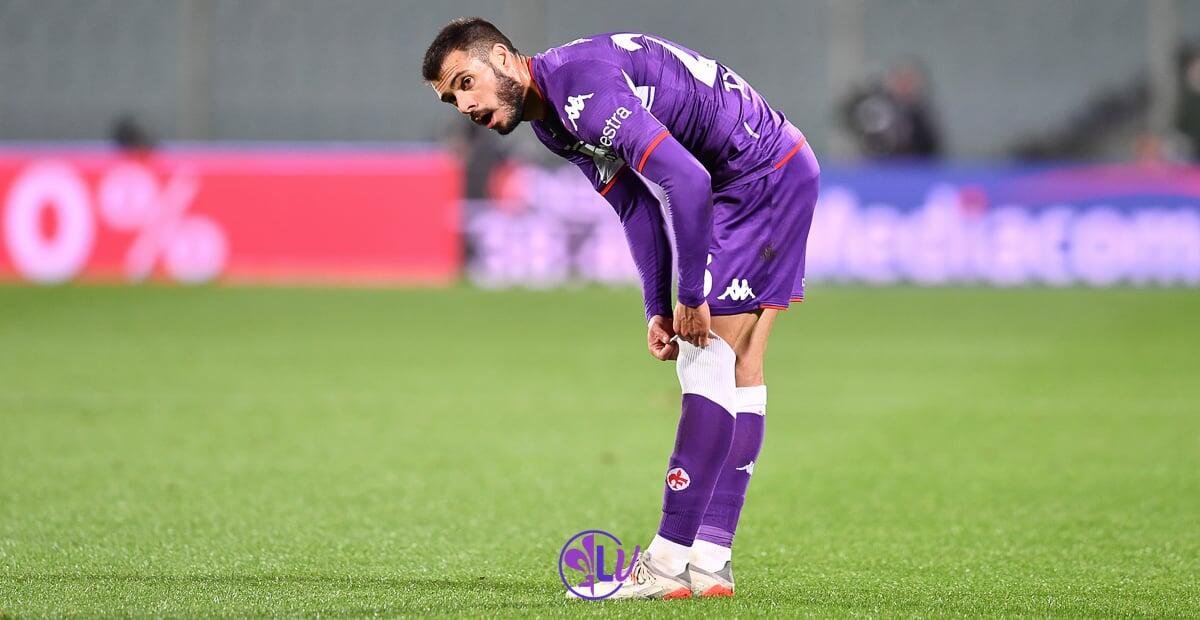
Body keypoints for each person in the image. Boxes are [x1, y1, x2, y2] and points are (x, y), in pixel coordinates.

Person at [423, 18, 820, 600]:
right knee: (740, 368)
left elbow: (685, 181)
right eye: (450, 97)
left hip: (754, 178)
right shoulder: (555, 122)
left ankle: (664, 565)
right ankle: (709, 561)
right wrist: (657, 306)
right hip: (779, 166)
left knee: (705, 362)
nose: (464, 104)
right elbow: (637, 207)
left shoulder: (581, 94)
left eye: (465, 81)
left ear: (504, 58)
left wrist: (690, 298)